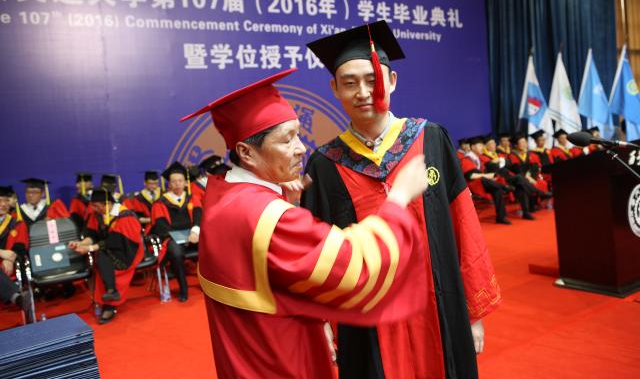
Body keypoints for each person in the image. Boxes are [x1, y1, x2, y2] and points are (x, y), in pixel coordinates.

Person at [180, 68, 431, 378]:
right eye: (287, 140)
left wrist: (283, 200)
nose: (301, 147)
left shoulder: (221, 196)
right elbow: (356, 267)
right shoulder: (267, 217)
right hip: (283, 365)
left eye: (298, 133)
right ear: (246, 152)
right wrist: (398, 199)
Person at [304, 21, 500, 379]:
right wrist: (321, 322)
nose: (363, 92)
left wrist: (473, 312)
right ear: (335, 89)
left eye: (372, 80)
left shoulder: (431, 140)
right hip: (366, 322)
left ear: (392, 81)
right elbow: (320, 257)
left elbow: (465, 225)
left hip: (440, 307)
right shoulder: (325, 165)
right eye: (350, 83)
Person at [69, 189, 143, 324]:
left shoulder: (125, 215)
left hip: (127, 250)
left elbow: (117, 240)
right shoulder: (97, 215)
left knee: (102, 256)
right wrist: (81, 243)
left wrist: (90, 248)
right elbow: (92, 235)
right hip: (106, 249)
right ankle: (111, 294)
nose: (94, 209)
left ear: (108, 204)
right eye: (93, 206)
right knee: (101, 256)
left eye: (97, 206)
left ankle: (110, 302)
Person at [150, 161, 201, 301]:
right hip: (172, 238)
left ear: (185, 183)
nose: (177, 184)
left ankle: (210, 283)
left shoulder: (192, 198)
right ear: (169, 184)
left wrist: (195, 231)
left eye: (180, 181)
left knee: (211, 246)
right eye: (174, 181)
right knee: (176, 253)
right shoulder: (161, 203)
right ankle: (183, 288)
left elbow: (199, 217)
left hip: (193, 235)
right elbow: (161, 225)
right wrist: (180, 237)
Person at [461, 136, 515, 224]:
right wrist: (486, 175)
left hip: (482, 184)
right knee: (484, 179)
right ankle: (504, 187)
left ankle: (501, 217)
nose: (483, 147)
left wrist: (490, 176)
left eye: (483, 145)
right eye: (480, 145)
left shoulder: (478, 159)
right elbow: (470, 176)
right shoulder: (467, 159)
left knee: (496, 189)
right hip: (472, 186)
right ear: (473, 147)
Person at [0, 186, 29, 275]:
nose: (3, 204)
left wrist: (9, 260)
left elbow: (19, 249)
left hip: (8, 270)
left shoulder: (17, 224)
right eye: (0, 200)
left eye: (6, 200)